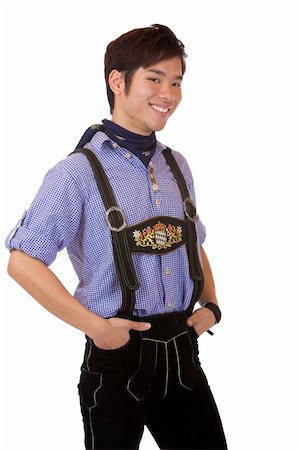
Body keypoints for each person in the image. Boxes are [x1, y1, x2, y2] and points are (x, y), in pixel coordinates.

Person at [6, 24, 227, 450]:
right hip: (118, 359)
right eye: (155, 78)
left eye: (177, 82)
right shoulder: (76, 172)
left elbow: (192, 243)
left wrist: (212, 305)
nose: (169, 94)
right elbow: (22, 261)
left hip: (182, 353)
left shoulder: (176, 164)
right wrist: (96, 329)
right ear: (117, 80)